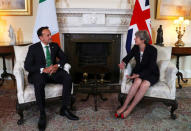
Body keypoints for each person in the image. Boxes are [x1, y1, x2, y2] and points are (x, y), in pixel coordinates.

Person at [24, 26, 79, 130]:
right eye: (48, 35)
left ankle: (64, 108)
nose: (51, 37)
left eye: (50, 34)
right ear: (41, 38)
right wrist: (42, 69)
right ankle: (42, 113)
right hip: (39, 73)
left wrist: (56, 66)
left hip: (53, 71)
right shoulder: (33, 48)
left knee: (67, 78)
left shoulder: (54, 45)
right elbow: (27, 66)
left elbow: (64, 58)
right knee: (39, 82)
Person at [115, 30, 159, 119]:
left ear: (143, 40)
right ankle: (124, 107)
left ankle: (129, 109)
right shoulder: (135, 47)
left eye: (136, 37)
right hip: (139, 71)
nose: (134, 39)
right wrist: (123, 63)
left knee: (144, 84)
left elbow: (151, 67)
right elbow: (128, 57)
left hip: (151, 72)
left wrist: (138, 75)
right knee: (137, 82)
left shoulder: (153, 50)